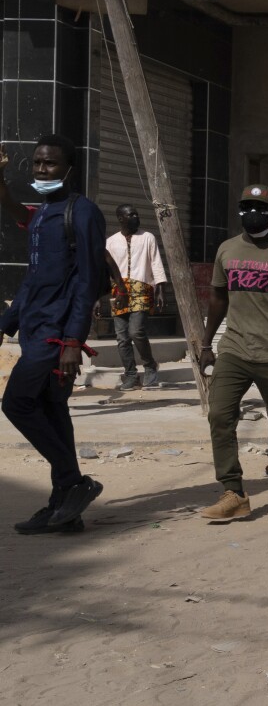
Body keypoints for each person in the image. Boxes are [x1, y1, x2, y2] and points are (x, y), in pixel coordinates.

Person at [0, 138, 108, 535]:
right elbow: (33, 278)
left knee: (16, 404)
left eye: (51, 164)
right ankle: (65, 508)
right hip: (34, 327)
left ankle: (75, 482)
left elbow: (88, 280)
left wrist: (72, 342)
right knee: (51, 410)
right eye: (38, 164)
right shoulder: (44, 213)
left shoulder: (83, 213)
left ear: (69, 169)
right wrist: (6, 322)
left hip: (55, 334)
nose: (42, 171)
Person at [195, 185, 268, 522]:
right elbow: (217, 299)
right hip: (235, 349)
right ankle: (234, 492)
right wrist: (206, 344)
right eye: (246, 206)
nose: (252, 212)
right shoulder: (227, 249)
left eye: (260, 207)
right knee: (219, 416)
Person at [105, 204, 168, 390]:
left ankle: (149, 366)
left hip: (141, 288)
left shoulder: (147, 237)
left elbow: (156, 262)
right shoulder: (110, 242)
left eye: (136, 214)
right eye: (131, 214)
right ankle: (131, 375)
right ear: (120, 218)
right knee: (122, 337)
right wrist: (96, 298)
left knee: (136, 331)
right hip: (119, 291)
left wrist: (161, 289)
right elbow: (105, 271)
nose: (136, 217)